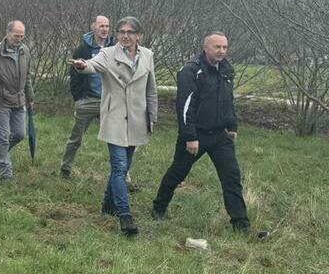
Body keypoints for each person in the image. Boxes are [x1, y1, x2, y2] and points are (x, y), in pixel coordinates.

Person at [152, 32, 250, 232]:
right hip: (196, 135)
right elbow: (185, 106)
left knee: (231, 177)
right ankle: (159, 207)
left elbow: (227, 100)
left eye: (224, 47)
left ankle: (240, 224)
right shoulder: (191, 71)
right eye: (217, 47)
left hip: (220, 136)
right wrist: (190, 136)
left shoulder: (226, 70)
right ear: (206, 48)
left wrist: (232, 126)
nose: (221, 51)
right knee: (178, 172)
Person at [70, 16, 157, 237]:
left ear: (139, 35)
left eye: (130, 32)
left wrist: (152, 115)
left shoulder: (147, 56)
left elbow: (151, 89)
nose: (125, 36)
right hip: (115, 118)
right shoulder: (108, 54)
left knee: (124, 167)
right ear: (116, 35)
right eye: (121, 32)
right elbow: (93, 65)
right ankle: (124, 215)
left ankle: (108, 204)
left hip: (137, 120)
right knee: (118, 167)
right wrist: (82, 65)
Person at [0, 20, 34, 181]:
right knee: (3, 136)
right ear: (8, 33)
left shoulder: (25, 51)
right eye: (16, 36)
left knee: (19, 134)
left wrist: (30, 97)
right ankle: (5, 172)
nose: (19, 39)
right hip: (0, 101)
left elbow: (28, 75)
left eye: (22, 36)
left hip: (19, 100)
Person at [60, 16, 115, 179]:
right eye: (101, 26)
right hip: (88, 100)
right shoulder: (83, 49)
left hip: (109, 101)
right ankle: (65, 169)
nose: (104, 29)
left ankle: (123, 176)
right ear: (93, 27)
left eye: (107, 26)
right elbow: (74, 75)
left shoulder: (114, 48)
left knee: (117, 139)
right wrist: (79, 99)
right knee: (76, 139)